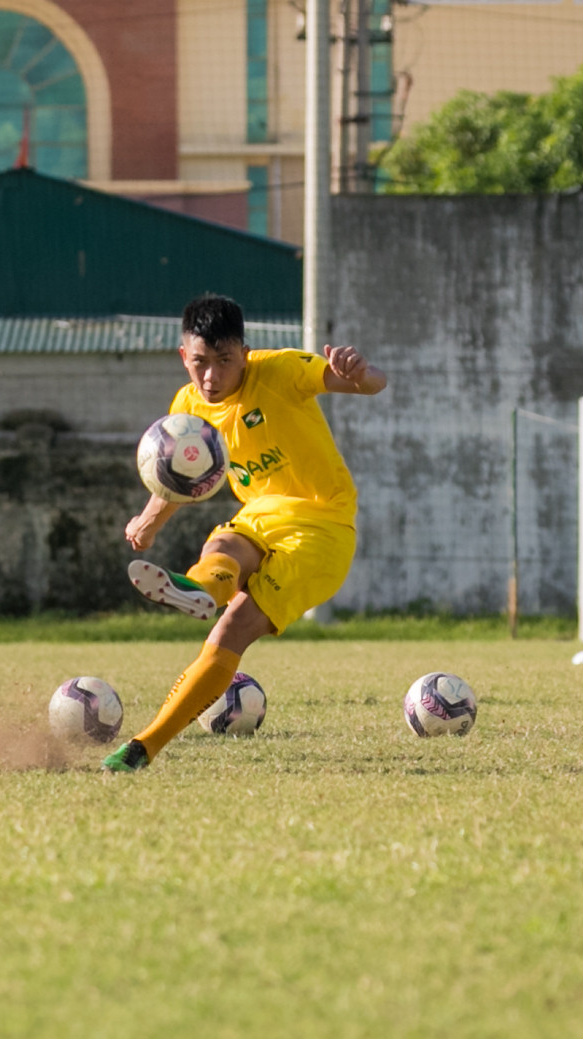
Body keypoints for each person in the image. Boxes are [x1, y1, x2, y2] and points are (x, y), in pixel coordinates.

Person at [104, 293, 386, 771]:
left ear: (245, 353)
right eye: (200, 363)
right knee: (222, 544)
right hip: (261, 515)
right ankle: (139, 747)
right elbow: (178, 480)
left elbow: (370, 384)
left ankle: (149, 735)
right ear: (183, 357)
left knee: (230, 631)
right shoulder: (187, 406)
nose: (211, 377)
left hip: (323, 529)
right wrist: (148, 522)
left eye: (224, 361)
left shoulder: (278, 370)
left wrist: (361, 374)